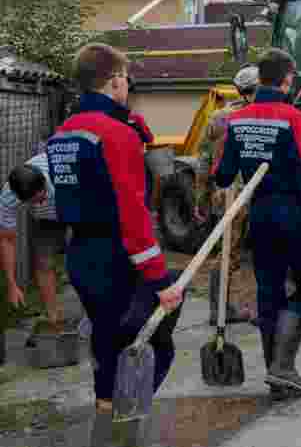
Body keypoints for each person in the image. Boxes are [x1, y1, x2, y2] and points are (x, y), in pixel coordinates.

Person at [44, 43, 184, 423]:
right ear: (114, 81)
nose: (128, 85)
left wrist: (131, 124)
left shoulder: (63, 133)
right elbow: (132, 213)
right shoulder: (114, 133)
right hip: (116, 257)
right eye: (124, 78)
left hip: (81, 255)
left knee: (106, 341)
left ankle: (106, 412)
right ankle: (125, 419)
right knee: (155, 344)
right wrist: (158, 278)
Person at [212, 48, 301, 400]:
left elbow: (222, 175)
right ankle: (283, 368)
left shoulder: (237, 119)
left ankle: (275, 372)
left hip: (261, 217)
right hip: (296, 217)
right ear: (287, 78)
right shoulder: (292, 118)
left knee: (269, 293)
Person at [196, 65, 260, 326]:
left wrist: (201, 198)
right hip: (254, 192)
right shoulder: (259, 115)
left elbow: (203, 160)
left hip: (224, 194)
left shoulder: (217, 118)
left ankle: (218, 309)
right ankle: (261, 309)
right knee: (262, 252)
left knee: (226, 253)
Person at [0, 154, 67, 346]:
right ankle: (54, 319)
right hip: (45, 219)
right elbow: (7, 240)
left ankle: (95, 314)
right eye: (34, 201)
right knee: (43, 261)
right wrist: (12, 284)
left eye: (42, 197)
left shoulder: (59, 174)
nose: (40, 201)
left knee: (85, 260)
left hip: (78, 208)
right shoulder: (8, 196)